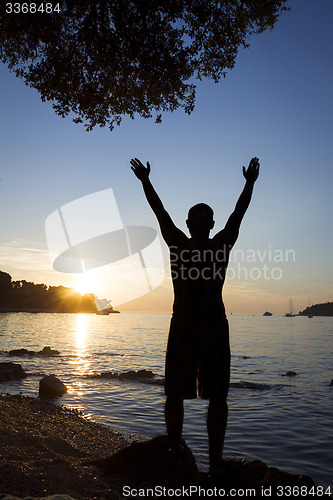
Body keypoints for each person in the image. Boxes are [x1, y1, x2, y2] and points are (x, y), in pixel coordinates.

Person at [130, 156, 260, 475]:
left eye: (197, 221)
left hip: (191, 325)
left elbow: (160, 212)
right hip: (206, 325)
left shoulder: (179, 244)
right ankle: (208, 462)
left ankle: (180, 454)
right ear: (209, 225)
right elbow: (237, 215)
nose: (200, 225)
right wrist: (249, 183)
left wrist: (146, 180)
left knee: (181, 395)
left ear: (189, 225)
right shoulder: (219, 245)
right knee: (212, 398)